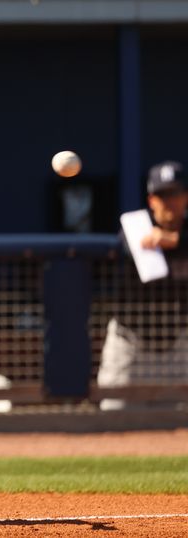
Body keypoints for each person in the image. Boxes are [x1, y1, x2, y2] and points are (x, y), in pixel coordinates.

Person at [98, 160, 188, 409]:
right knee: (113, 420)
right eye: (163, 195)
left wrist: (178, 241)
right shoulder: (136, 225)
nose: (170, 201)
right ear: (152, 201)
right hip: (131, 345)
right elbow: (128, 242)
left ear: (186, 197)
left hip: (178, 345)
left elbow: (178, 240)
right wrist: (161, 239)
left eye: (176, 194)